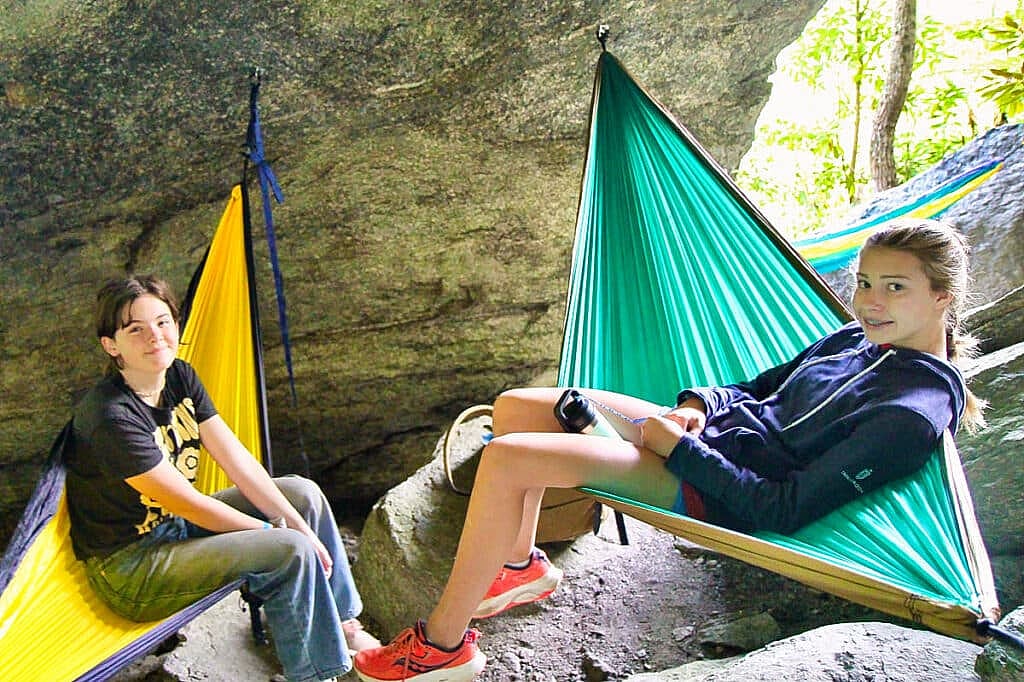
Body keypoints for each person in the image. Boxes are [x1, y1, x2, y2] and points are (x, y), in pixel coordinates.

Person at [352, 218, 987, 682]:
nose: (870, 301)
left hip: (716, 490)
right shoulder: (855, 339)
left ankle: (442, 648)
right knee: (518, 405)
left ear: (942, 297)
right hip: (696, 439)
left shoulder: (910, 414)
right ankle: (520, 567)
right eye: (866, 282)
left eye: (895, 288)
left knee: (508, 455)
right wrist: (694, 409)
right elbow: (754, 390)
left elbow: (782, 508)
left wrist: (678, 454)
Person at [65, 275, 379, 682]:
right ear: (111, 345)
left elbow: (238, 461)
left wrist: (297, 523)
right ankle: (317, 673)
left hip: (175, 530)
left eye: (163, 322)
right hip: (133, 567)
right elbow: (188, 503)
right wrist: (274, 532)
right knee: (288, 550)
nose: (155, 336)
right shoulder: (110, 417)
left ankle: (341, 625)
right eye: (135, 329)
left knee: (302, 494)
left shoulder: (179, 376)